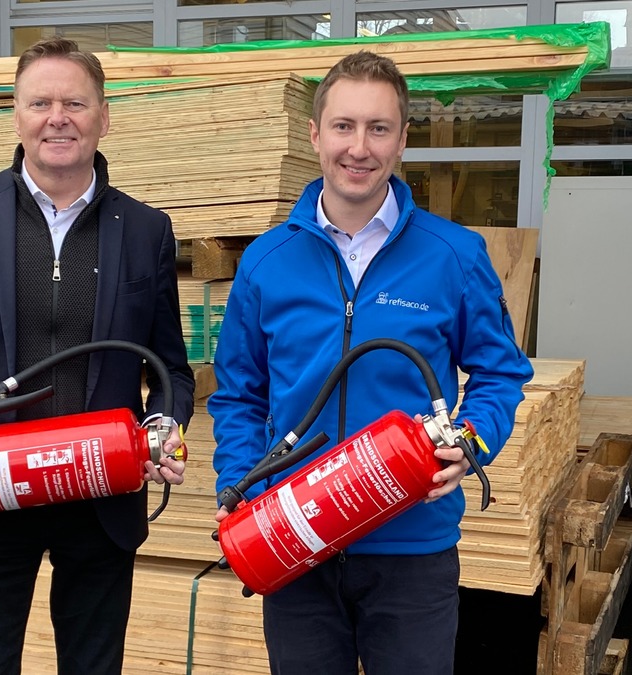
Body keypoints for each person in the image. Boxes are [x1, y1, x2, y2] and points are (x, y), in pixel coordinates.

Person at [0, 37, 195, 675]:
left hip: (99, 495)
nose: (58, 117)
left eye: (75, 103)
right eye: (40, 102)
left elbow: (171, 370)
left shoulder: (146, 230)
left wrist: (163, 427)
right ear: (15, 115)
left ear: (103, 117)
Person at [208, 51, 534, 675]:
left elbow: (500, 372)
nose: (359, 147)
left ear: (403, 140)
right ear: (315, 134)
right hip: (294, 540)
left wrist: (470, 440)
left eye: (379, 128)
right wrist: (240, 483)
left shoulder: (453, 255)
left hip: (412, 548)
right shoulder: (266, 261)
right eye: (344, 126)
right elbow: (238, 397)